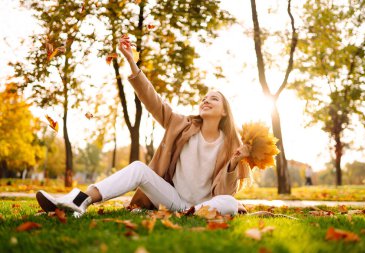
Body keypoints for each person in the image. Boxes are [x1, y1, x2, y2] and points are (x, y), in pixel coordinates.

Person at [36, 35, 251, 217]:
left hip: (204, 207)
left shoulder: (231, 144)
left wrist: (234, 162)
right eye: (204, 98)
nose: (205, 100)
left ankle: (193, 214)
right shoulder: (181, 124)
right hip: (175, 200)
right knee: (139, 168)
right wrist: (132, 63)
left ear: (224, 111)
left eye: (213, 99)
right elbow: (153, 101)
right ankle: (80, 199)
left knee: (230, 202)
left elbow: (224, 191)